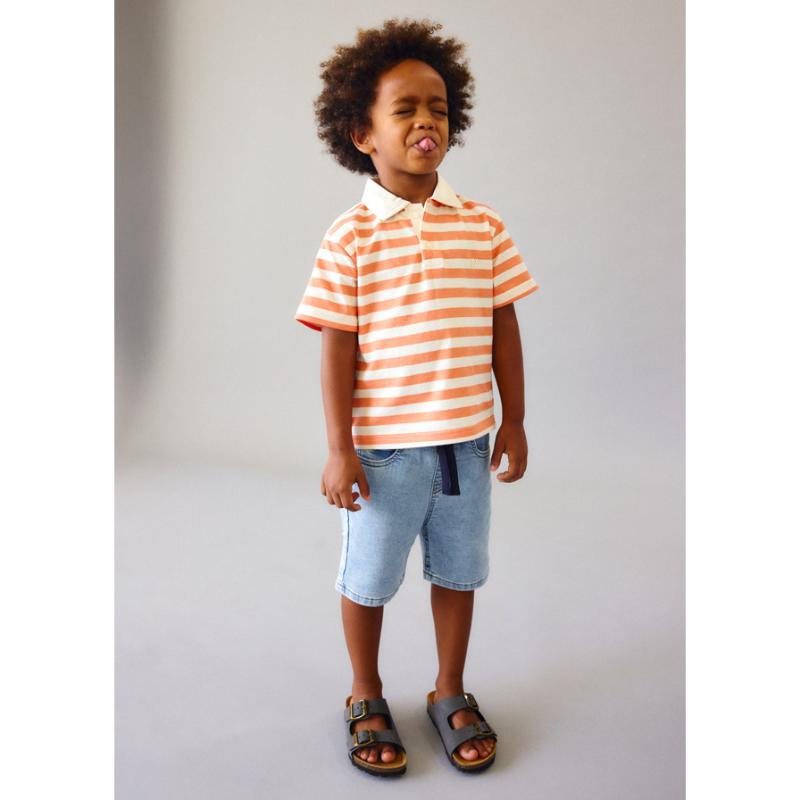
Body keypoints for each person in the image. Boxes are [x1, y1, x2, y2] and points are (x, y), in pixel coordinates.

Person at [295, 17, 539, 776]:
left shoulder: (483, 226)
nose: (426, 120)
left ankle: (449, 688)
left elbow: (504, 327)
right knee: (368, 580)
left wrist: (514, 420)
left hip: (465, 446)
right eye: (404, 109)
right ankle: (365, 691)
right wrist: (339, 449)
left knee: (459, 573)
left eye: (438, 107)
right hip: (385, 454)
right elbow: (337, 345)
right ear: (362, 133)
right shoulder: (350, 237)